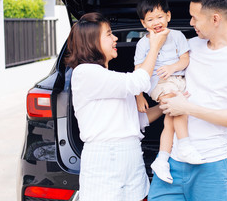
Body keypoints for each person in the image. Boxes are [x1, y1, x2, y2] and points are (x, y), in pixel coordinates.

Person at [148, 0, 227, 201]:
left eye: (195, 18)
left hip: (211, 166)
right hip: (170, 162)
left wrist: (187, 108)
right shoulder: (189, 47)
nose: (190, 23)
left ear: (215, 18)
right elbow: (153, 67)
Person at [66, 12, 165, 201]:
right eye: (109, 34)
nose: (115, 38)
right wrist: (154, 47)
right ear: (92, 42)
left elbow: (137, 120)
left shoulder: (108, 76)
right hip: (106, 159)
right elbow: (137, 82)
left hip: (131, 156)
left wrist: (164, 106)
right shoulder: (85, 73)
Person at [134, 0, 205, 184]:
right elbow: (137, 71)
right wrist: (139, 95)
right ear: (143, 23)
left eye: (159, 17)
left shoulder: (177, 36)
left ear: (168, 16)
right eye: (150, 19)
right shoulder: (142, 44)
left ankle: (162, 159)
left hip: (179, 80)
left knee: (171, 117)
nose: (156, 22)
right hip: (158, 84)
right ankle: (185, 145)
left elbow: (185, 59)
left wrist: (172, 67)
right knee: (177, 106)